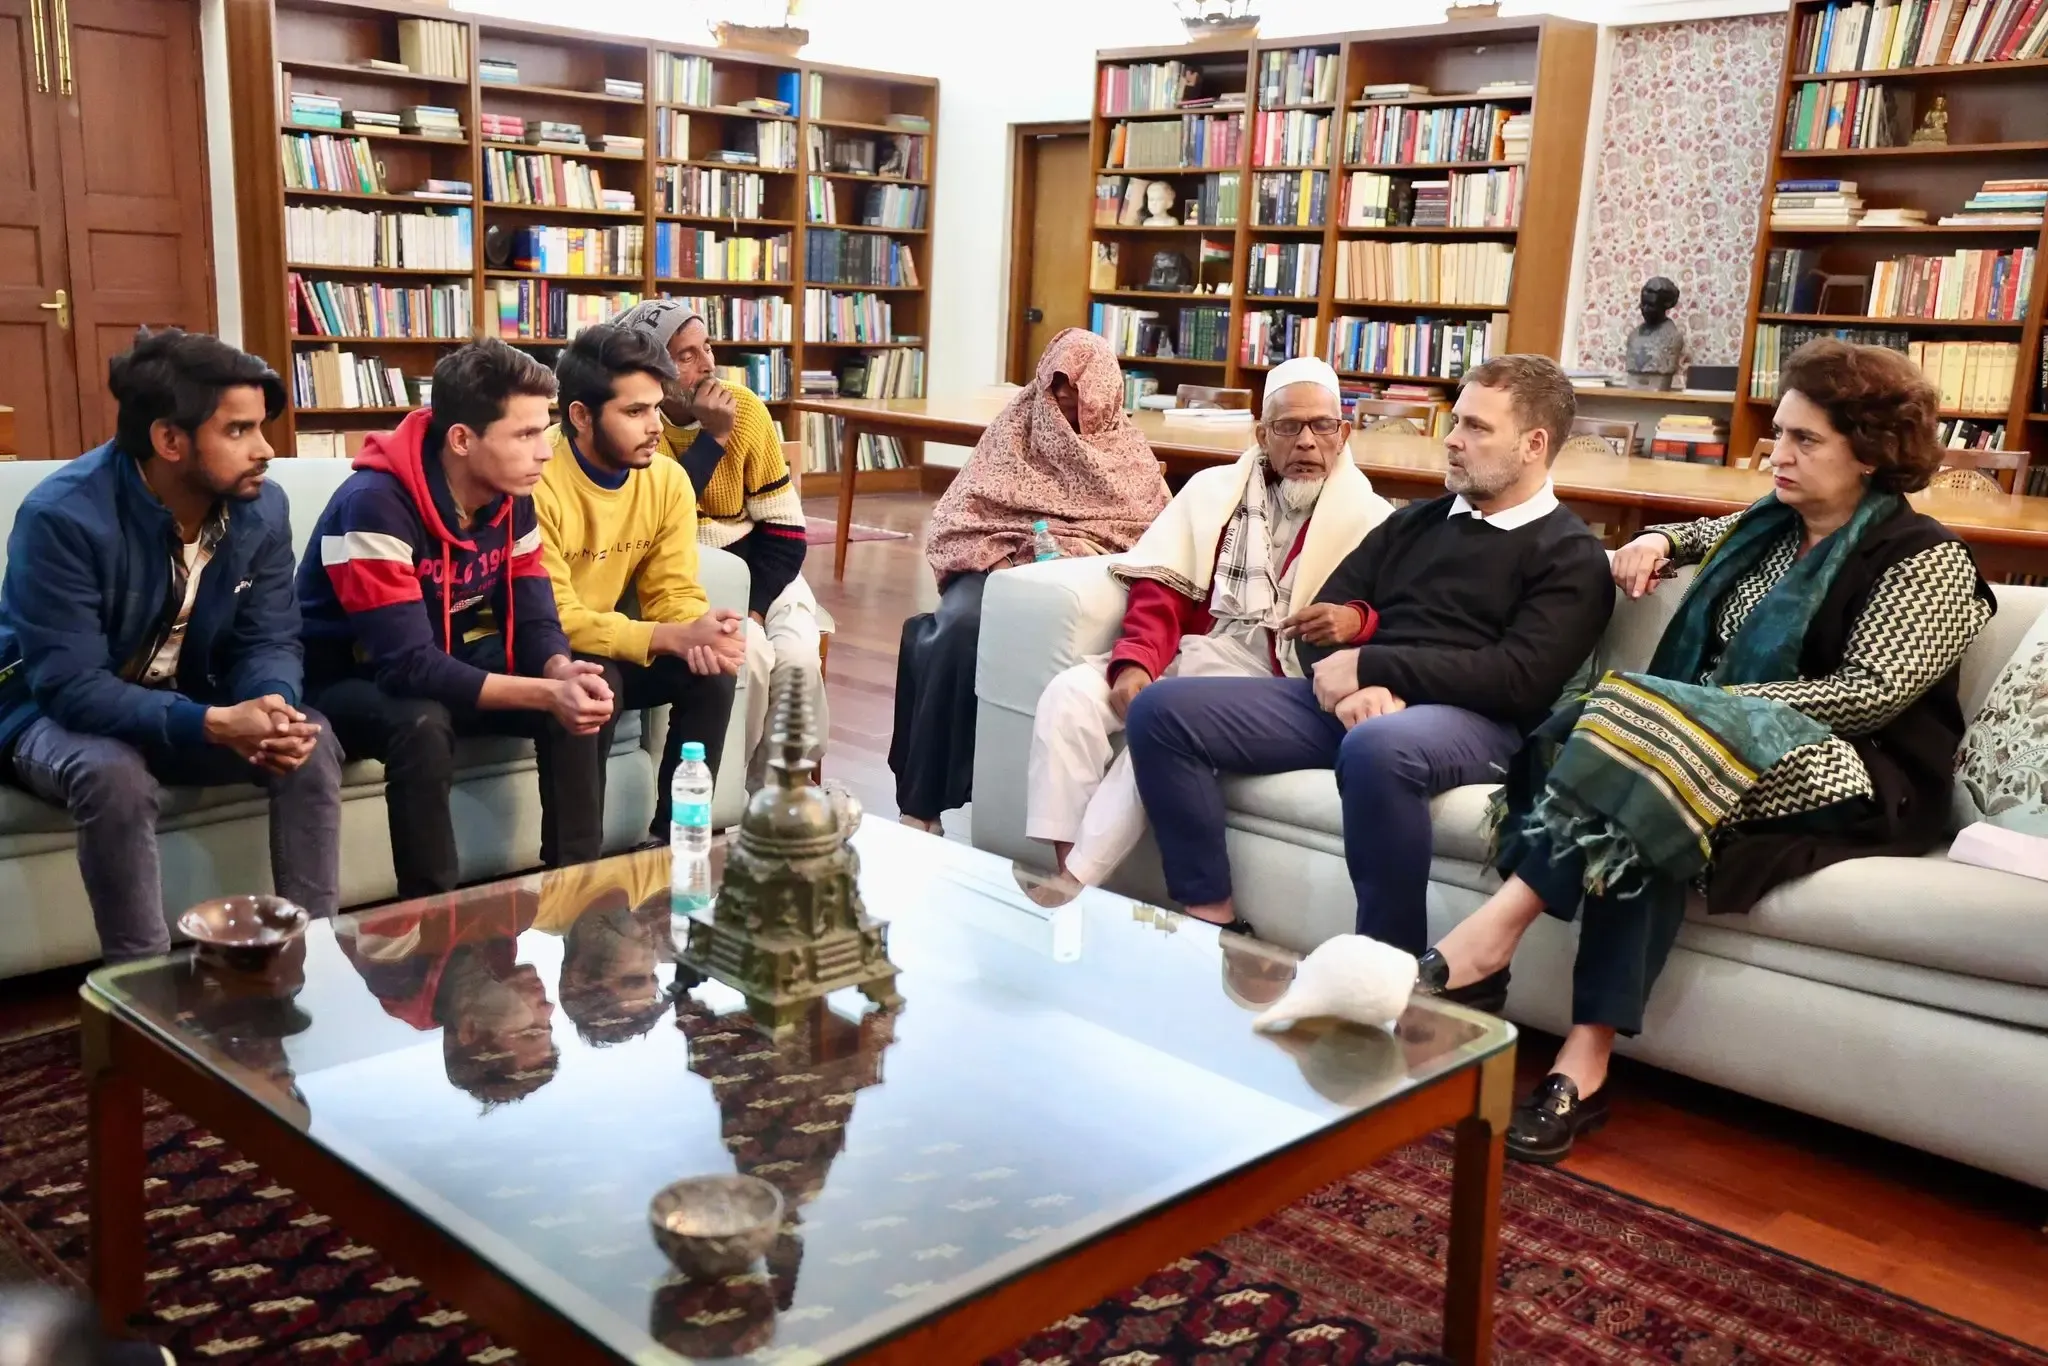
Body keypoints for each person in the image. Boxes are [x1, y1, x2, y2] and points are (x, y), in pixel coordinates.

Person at [1415, 338, 1994, 1164]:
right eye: (1779, 432)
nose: (1777, 454)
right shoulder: (1770, 525)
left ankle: (1491, 937)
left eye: (1804, 440)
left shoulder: (1926, 559)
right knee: (1651, 785)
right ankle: (1583, 1063)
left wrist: (1708, 710)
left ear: (1870, 454)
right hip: (1694, 753)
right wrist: (1658, 542)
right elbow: (1697, 536)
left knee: (1651, 748)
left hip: (1858, 767)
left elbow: (1871, 694)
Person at [1124, 354, 1614, 947]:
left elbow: (1519, 680)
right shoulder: (1415, 523)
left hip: (1478, 723)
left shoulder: (1571, 554)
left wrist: (1373, 667)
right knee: (1163, 710)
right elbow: (1317, 621)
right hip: (1364, 707)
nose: (1452, 440)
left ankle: (1389, 963)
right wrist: (1351, 687)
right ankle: (1212, 919)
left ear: (1534, 444)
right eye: (1455, 421)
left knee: (1379, 748)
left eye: (1475, 427)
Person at [0, 328, 341, 962]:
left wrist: (272, 704)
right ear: (169, 440)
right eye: (238, 430)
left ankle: (315, 958)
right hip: (43, 712)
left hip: (187, 698)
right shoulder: (63, 517)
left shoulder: (262, 508)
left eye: (261, 427)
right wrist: (211, 723)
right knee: (111, 775)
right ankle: (143, 985)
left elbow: (269, 637)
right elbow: (70, 687)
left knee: (308, 743)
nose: (265, 449)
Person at [1025, 356, 1391, 887]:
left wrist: (1355, 621)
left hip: (1272, 678)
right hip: (1192, 649)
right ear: (1262, 435)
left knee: (1158, 728)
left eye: (1322, 426)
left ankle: (1074, 885)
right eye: (1289, 427)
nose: (1307, 443)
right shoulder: (1214, 492)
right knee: (1068, 696)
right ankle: (1062, 861)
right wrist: (1136, 663)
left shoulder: (1375, 520)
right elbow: (1163, 588)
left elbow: (1393, 616)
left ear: (1344, 433)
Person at [298, 339, 615, 898]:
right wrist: (545, 694)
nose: (545, 452)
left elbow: (535, 616)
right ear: (463, 440)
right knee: (422, 722)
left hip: (442, 656)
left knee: (589, 685)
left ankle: (576, 894)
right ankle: (433, 917)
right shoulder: (374, 504)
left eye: (544, 430)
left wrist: (559, 671)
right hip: (344, 678)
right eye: (525, 434)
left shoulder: (511, 496)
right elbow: (406, 666)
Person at [893, 328, 1169, 830]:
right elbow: (958, 513)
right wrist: (1001, 568)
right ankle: (922, 804)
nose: (1064, 395)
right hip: (994, 561)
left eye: (1078, 386)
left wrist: (1079, 556)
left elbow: (1153, 536)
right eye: (1056, 383)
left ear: (1105, 389)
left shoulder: (1127, 452)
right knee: (959, 629)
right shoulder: (1017, 425)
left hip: (1078, 579)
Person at [536, 324, 745, 841]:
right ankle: (573, 871)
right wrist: (671, 637)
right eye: (634, 412)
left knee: (711, 674)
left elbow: (671, 591)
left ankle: (674, 845)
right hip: (541, 645)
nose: (654, 427)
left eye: (655, 408)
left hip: (611, 639)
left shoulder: (667, 479)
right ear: (581, 416)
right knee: (598, 681)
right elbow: (554, 616)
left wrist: (699, 632)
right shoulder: (536, 477)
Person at [609, 299, 821, 783]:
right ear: (651, 371)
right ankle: (731, 787)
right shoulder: (638, 421)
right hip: (689, 575)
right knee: (751, 656)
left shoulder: (745, 409)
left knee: (798, 659)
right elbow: (661, 513)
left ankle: (780, 790)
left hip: (764, 566)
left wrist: (757, 608)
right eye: (685, 356)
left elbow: (786, 533)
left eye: (706, 347)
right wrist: (714, 438)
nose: (707, 364)